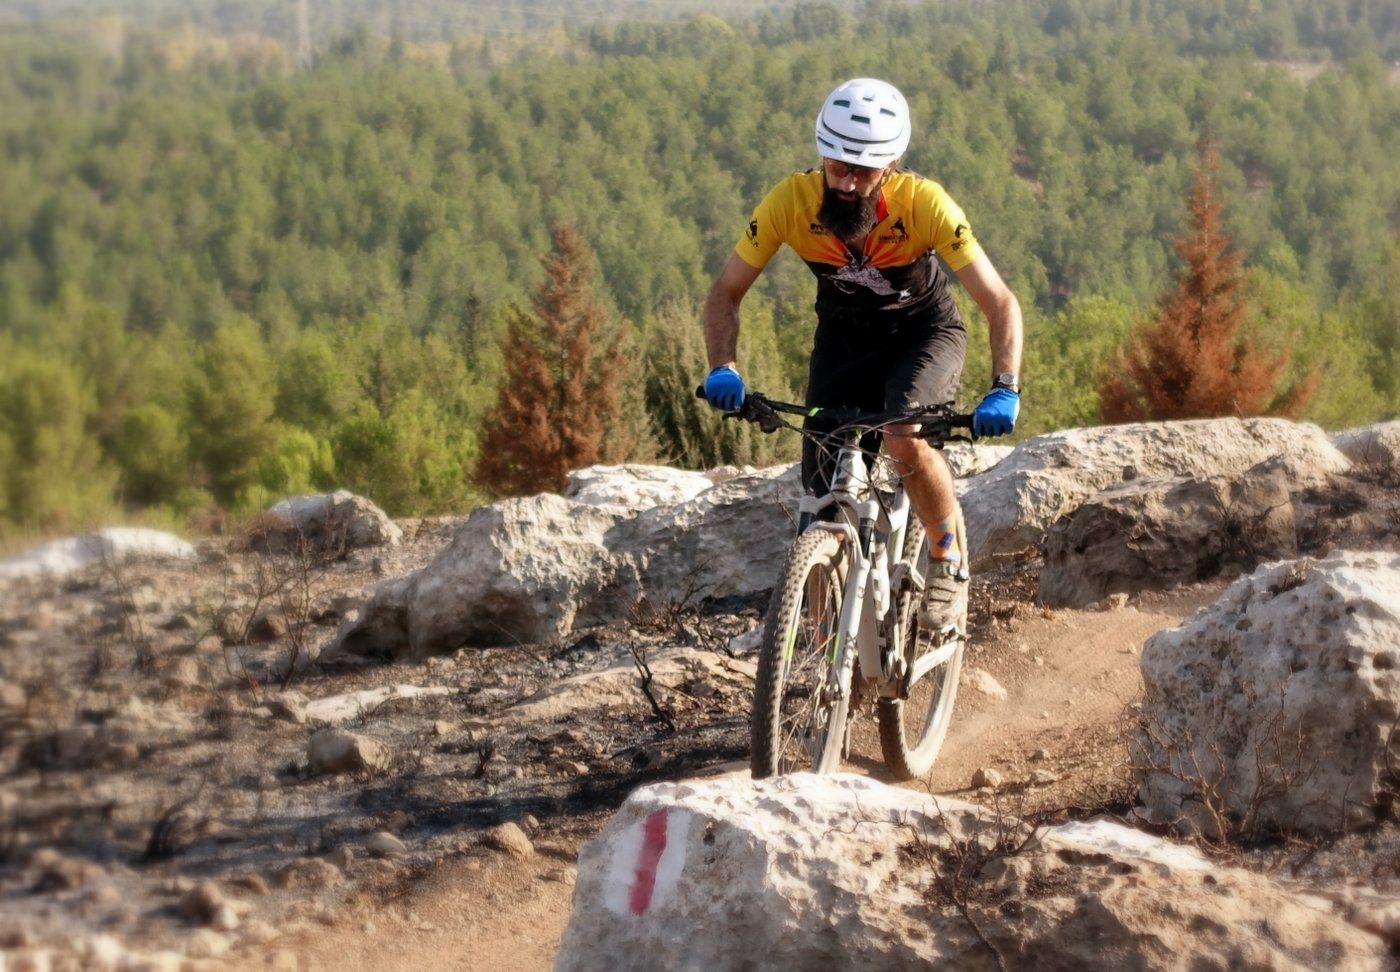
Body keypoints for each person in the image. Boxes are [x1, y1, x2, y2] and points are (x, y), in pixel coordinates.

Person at [701, 77, 1023, 623]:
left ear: (891, 165)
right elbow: (725, 293)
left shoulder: (925, 205)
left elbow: (1000, 302)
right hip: (844, 340)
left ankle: (946, 557)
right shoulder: (790, 202)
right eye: (837, 167)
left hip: (923, 334)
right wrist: (722, 368)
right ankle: (819, 644)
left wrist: (1005, 386)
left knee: (904, 437)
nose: (848, 183)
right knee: (820, 492)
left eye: (864, 171)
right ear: (821, 155)